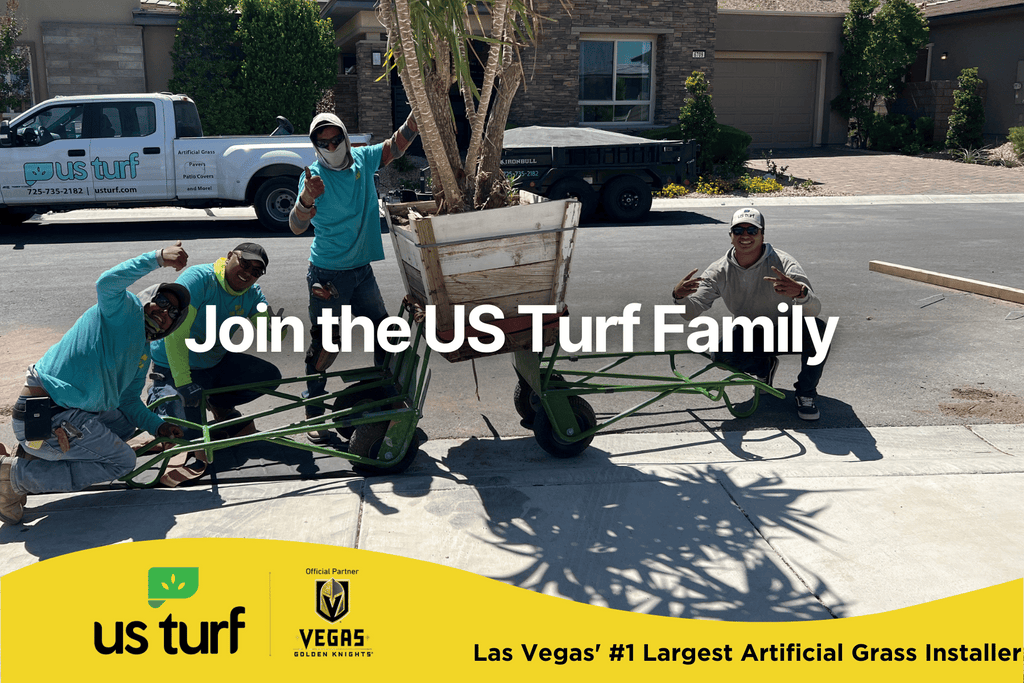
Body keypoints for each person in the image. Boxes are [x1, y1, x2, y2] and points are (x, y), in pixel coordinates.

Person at [1, 242, 191, 525]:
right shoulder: (123, 311)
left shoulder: (142, 352)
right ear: (148, 299)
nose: (164, 313)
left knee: (127, 421)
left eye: (172, 315)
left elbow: (128, 402)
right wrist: (158, 258)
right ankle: (13, 478)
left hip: (62, 414)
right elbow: (107, 282)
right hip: (43, 414)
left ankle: (37, 456)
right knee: (122, 461)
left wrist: (158, 425)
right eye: (162, 303)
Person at [289, 112, 419, 443]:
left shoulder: (361, 158)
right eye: (323, 143)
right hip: (328, 275)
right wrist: (306, 199)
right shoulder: (313, 178)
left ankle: (382, 394)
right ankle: (313, 412)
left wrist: (416, 118)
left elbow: (394, 148)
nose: (330, 146)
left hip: (361, 272)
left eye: (335, 140)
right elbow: (296, 224)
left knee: (385, 331)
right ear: (315, 146)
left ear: (345, 138)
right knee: (325, 346)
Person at [671, 207, 830, 420]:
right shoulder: (718, 271)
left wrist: (801, 294)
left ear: (762, 235)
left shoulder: (784, 263)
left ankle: (806, 393)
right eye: (738, 230)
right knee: (720, 356)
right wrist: (678, 297)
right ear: (730, 236)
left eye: (752, 230)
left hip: (786, 329)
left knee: (819, 331)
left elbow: (814, 309)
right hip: (750, 331)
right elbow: (690, 313)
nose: (745, 235)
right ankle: (764, 367)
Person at [147, 242, 283, 451]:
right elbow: (176, 333)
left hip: (213, 363)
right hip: (174, 367)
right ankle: (162, 393)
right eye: (244, 264)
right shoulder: (199, 279)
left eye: (256, 271)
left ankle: (217, 403)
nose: (248, 273)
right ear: (229, 256)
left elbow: (270, 334)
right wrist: (184, 382)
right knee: (187, 443)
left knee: (269, 376)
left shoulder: (252, 294)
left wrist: (277, 328)